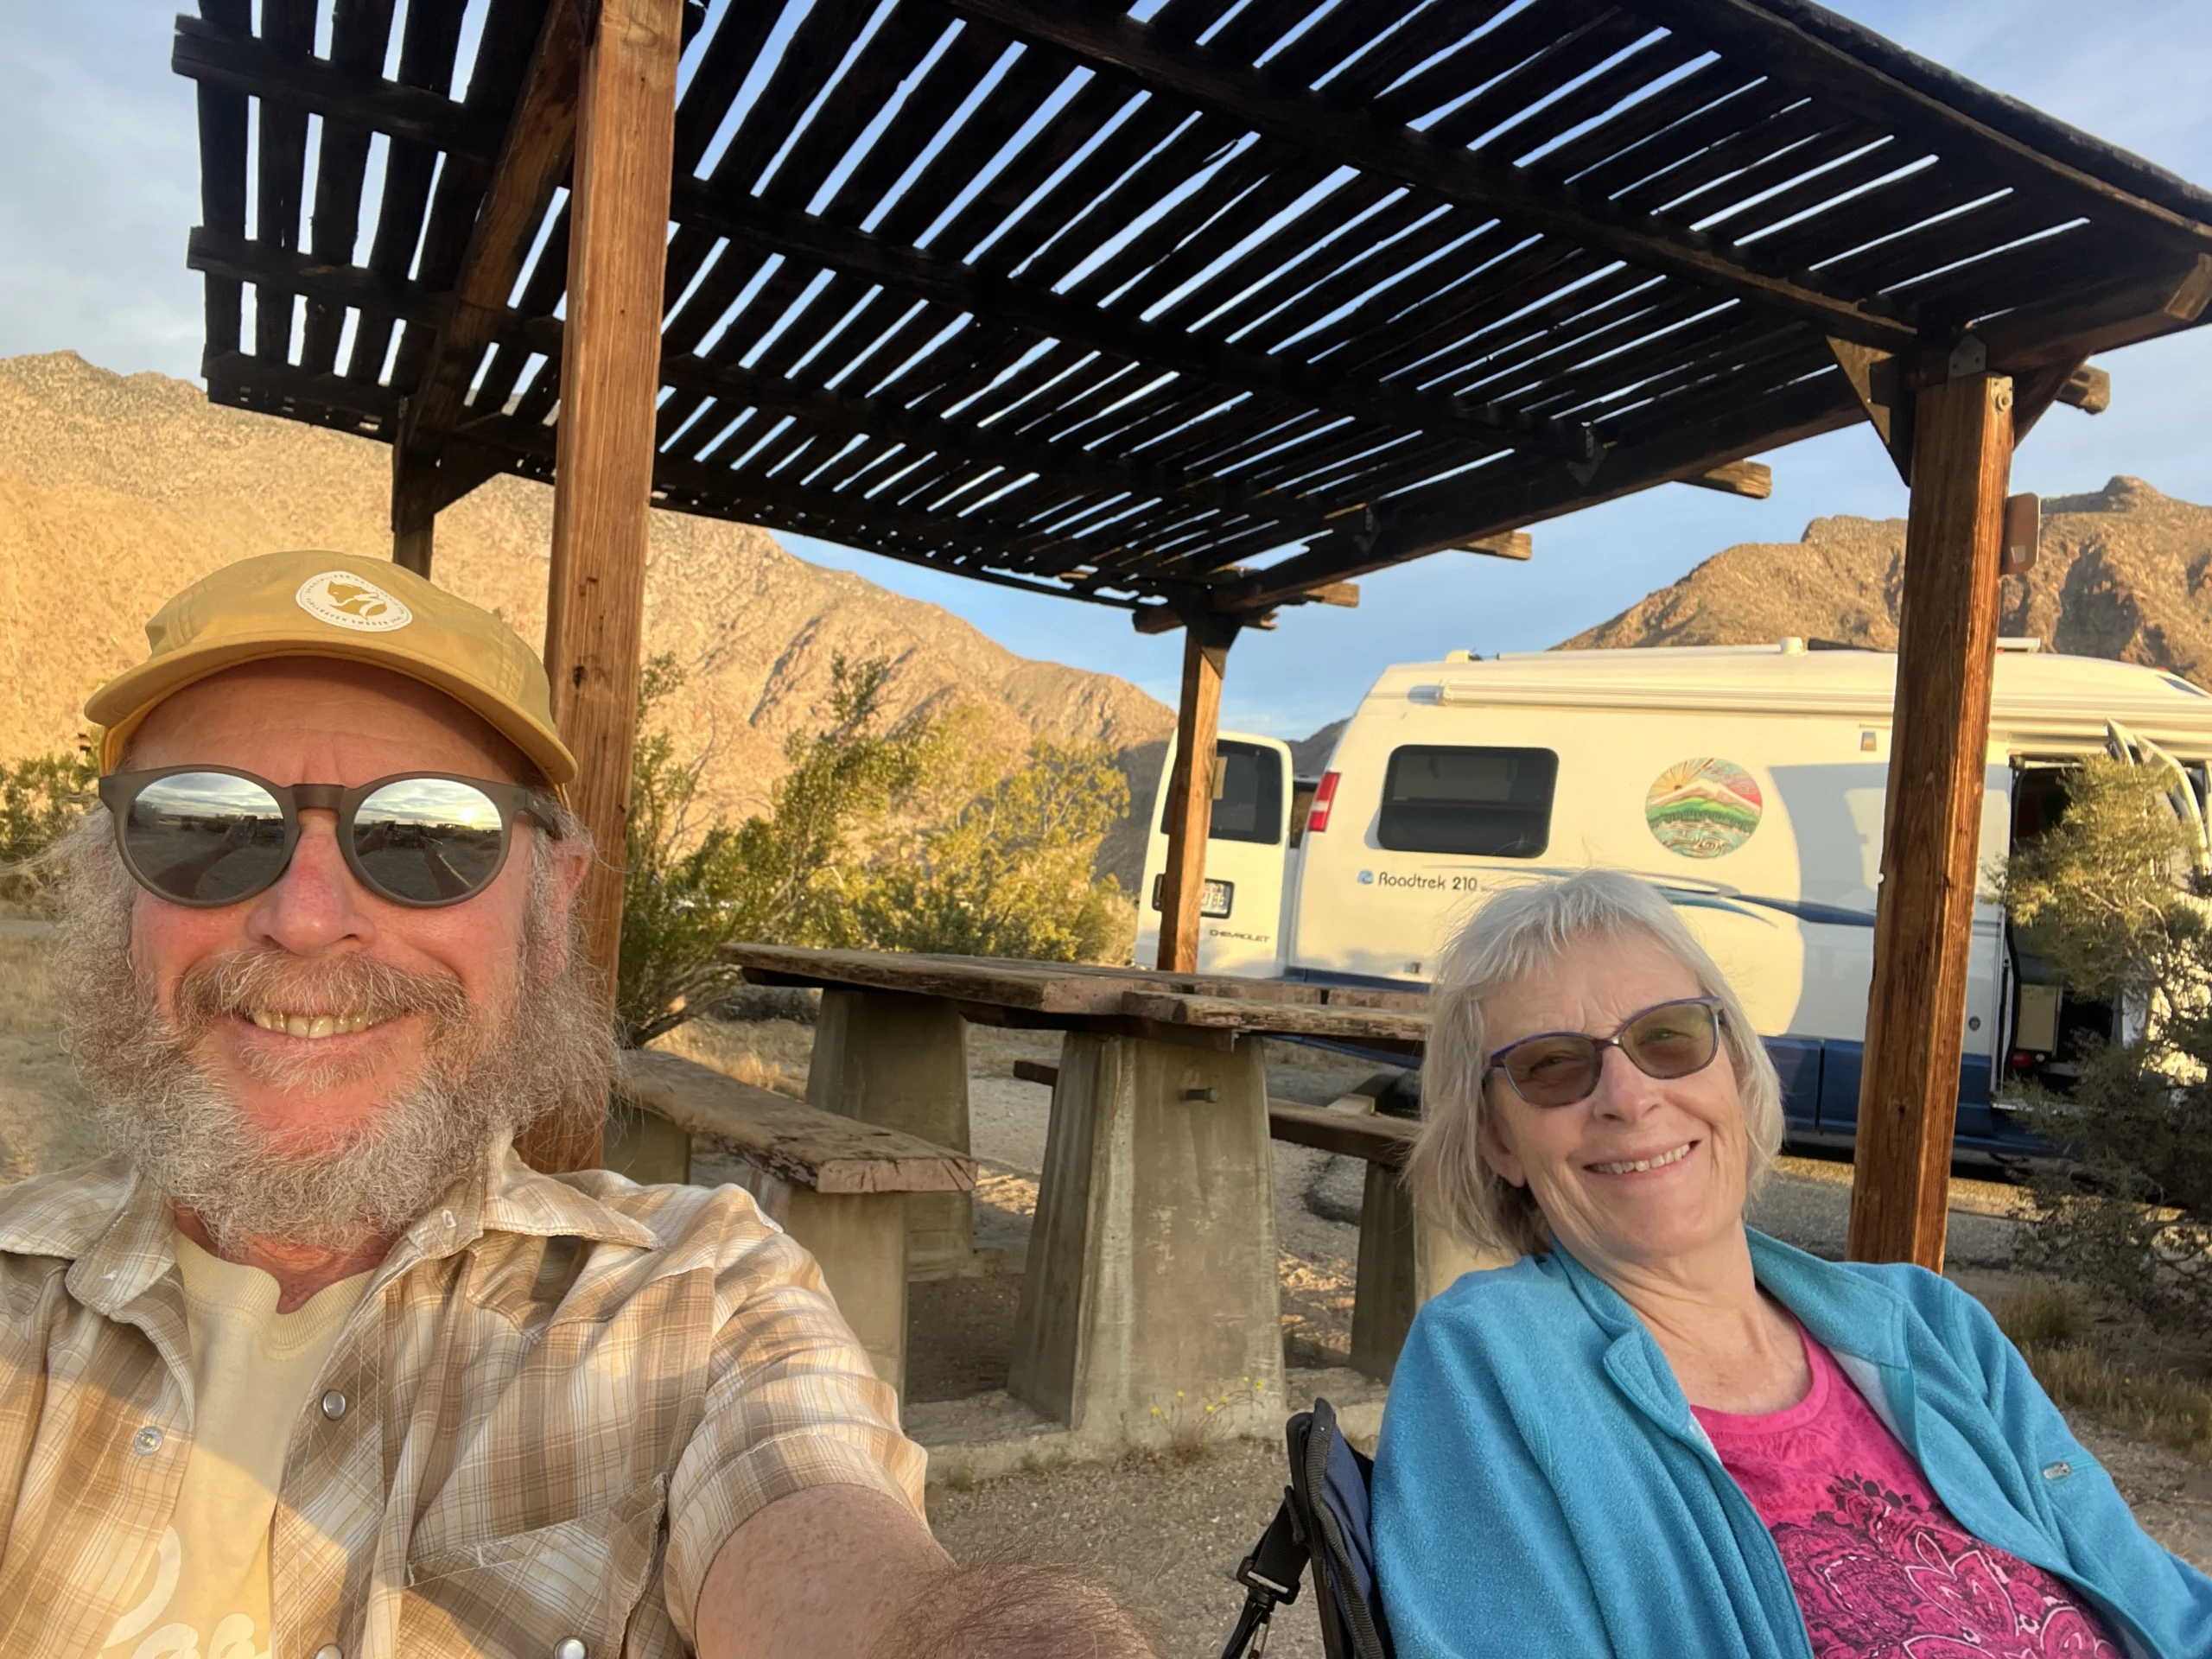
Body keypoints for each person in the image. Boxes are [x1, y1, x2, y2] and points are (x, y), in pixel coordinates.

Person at [1, 550, 1153, 1658]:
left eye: (425, 837)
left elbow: (872, 1593)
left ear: (549, 910)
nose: (304, 919)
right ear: (113, 886)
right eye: (206, 828)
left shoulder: (701, 1309)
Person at [1372, 868, 2212, 1658]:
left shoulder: (1929, 1324)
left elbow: (2159, 1603)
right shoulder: (1491, 1361)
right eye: (1552, 1067)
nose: (1629, 1097)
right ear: (1497, 1140)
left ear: (1735, 1068)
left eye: (1669, 1038)